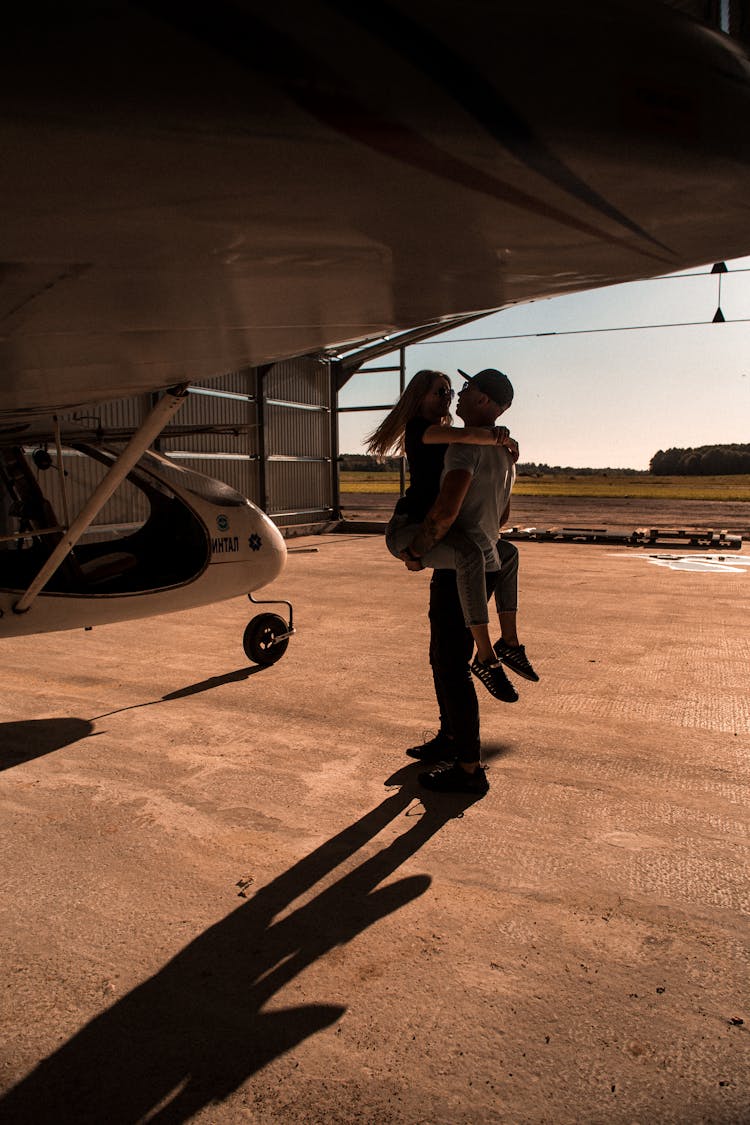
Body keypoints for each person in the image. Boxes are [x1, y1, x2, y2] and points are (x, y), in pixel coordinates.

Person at [399, 368, 527, 794]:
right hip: (484, 561)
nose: (460, 393)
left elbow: (444, 512)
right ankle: (451, 737)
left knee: (452, 665)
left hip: (460, 569)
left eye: (468, 388)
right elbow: (504, 517)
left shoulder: (463, 447)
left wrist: (417, 549)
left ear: (485, 402)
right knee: (442, 656)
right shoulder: (506, 453)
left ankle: (469, 769)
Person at [367, 369, 530, 680]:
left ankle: (509, 642)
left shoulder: (453, 437)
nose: (449, 397)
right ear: (420, 397)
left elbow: (470, 442)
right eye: (440, 392)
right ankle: (486, 655)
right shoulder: (420, 430)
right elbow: (469, 436)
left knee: (507, 553)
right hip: (409, 526)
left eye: (452, 392)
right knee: (470, 556)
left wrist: (501, 441)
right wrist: (502, 437)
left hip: (439, 531)